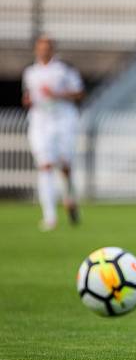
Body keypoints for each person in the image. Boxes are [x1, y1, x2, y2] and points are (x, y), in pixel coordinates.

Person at [22, 35, 83, 231]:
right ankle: (50, 216)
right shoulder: (30, 72)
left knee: (65, 166)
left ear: (53, 49)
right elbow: (27, 96)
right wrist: (28, 101)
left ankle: (69, 198)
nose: (43, 51)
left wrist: (57, 95)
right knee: (45, 165)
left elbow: (79, 92)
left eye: (47, 47)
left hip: (63, 119)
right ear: (36, 50)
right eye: (40, 47)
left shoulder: (64, 69)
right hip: (40, 121)